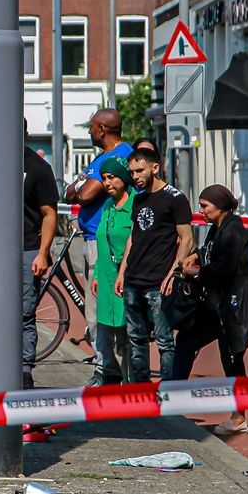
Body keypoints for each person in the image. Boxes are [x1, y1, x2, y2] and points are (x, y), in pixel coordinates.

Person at [180, 185, 248, 435]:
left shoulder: (233, 231)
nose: (200, 211)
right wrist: (197, 256)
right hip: (219, 303)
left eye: (204, 206)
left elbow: (224, 268)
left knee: (232, 357)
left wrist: (197, 271)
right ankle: (172, 400)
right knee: (187, 340)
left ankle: (239, 417)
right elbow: (211, 252)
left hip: (236, 304)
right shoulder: (218, 227)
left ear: (220, 206)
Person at [115, 147, 194, 382]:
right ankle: (141, 393)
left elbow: (187, 239)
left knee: (164, 341)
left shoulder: (175, 198)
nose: (135, 176)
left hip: (158, 283)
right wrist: (122, 272)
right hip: (133, 281)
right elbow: (133, 237)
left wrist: (173, 274)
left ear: (155, 168)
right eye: (132, 172)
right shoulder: (138, 198)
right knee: (136, 339)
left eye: (140, 170)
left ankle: (168, 394)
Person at [63, 109, 132, 359]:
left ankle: (108, 368)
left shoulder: (119, 156)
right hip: (92, 238)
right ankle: (107, 364)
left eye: (91, 127)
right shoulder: (101, 158)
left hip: (104, 242)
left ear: (102, 129)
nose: (90, 132)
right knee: (95, 308)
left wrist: (78, 187)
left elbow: (85, 193)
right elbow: (69, 192)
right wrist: (77, 188)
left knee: (98, 310)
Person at [88, 155, 136, 386]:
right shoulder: (107, 205)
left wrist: (124, 273)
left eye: (112, 177)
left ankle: (131, 381)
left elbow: (136, 241)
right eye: (104, 178)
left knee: (128, 331)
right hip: (107, 277)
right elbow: (102, 242)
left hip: (127, 277)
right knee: (108, 329)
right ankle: (112, 375)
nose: (107, 183)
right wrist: (97, 274)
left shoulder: (135, 204)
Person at [22, 119, 59, 389]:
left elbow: (49, 214)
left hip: (27, 249)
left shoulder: (37, 167)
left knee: (24, 314)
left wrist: (43, 253)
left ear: (24, 133)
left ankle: (23, 371)